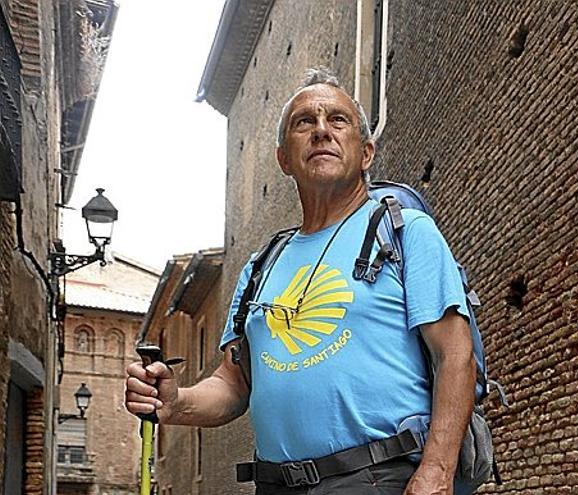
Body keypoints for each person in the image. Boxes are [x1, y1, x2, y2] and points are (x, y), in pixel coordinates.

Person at [124, 67, 476, 495]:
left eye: (337, 120)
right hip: (276, 485)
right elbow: (233, 384)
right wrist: (175, 402)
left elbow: (455, 357)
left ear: (366, 153)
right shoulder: (261, 266)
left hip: (379, 478)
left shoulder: (406, 232)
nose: (321, 131)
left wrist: (437, 471)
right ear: (283, 159)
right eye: (304, 122)